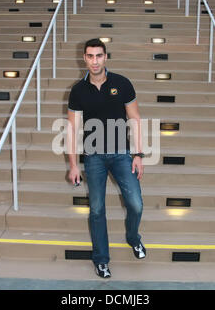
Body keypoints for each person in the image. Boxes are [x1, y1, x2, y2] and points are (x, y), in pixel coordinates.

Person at [66, 38, 146, 279]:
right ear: (84, 58)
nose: (94, 61)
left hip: (122, 154)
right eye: (90, 56)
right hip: (94, 157)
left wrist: (138, 154)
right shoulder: (78, 90)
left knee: (136, 204)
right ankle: (101, 260)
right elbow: (72, 129)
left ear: (105, 57)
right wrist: (73, 165)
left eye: (98, 56)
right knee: (97, 210)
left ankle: (133, 237)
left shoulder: (122, 83)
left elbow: (135, 119)